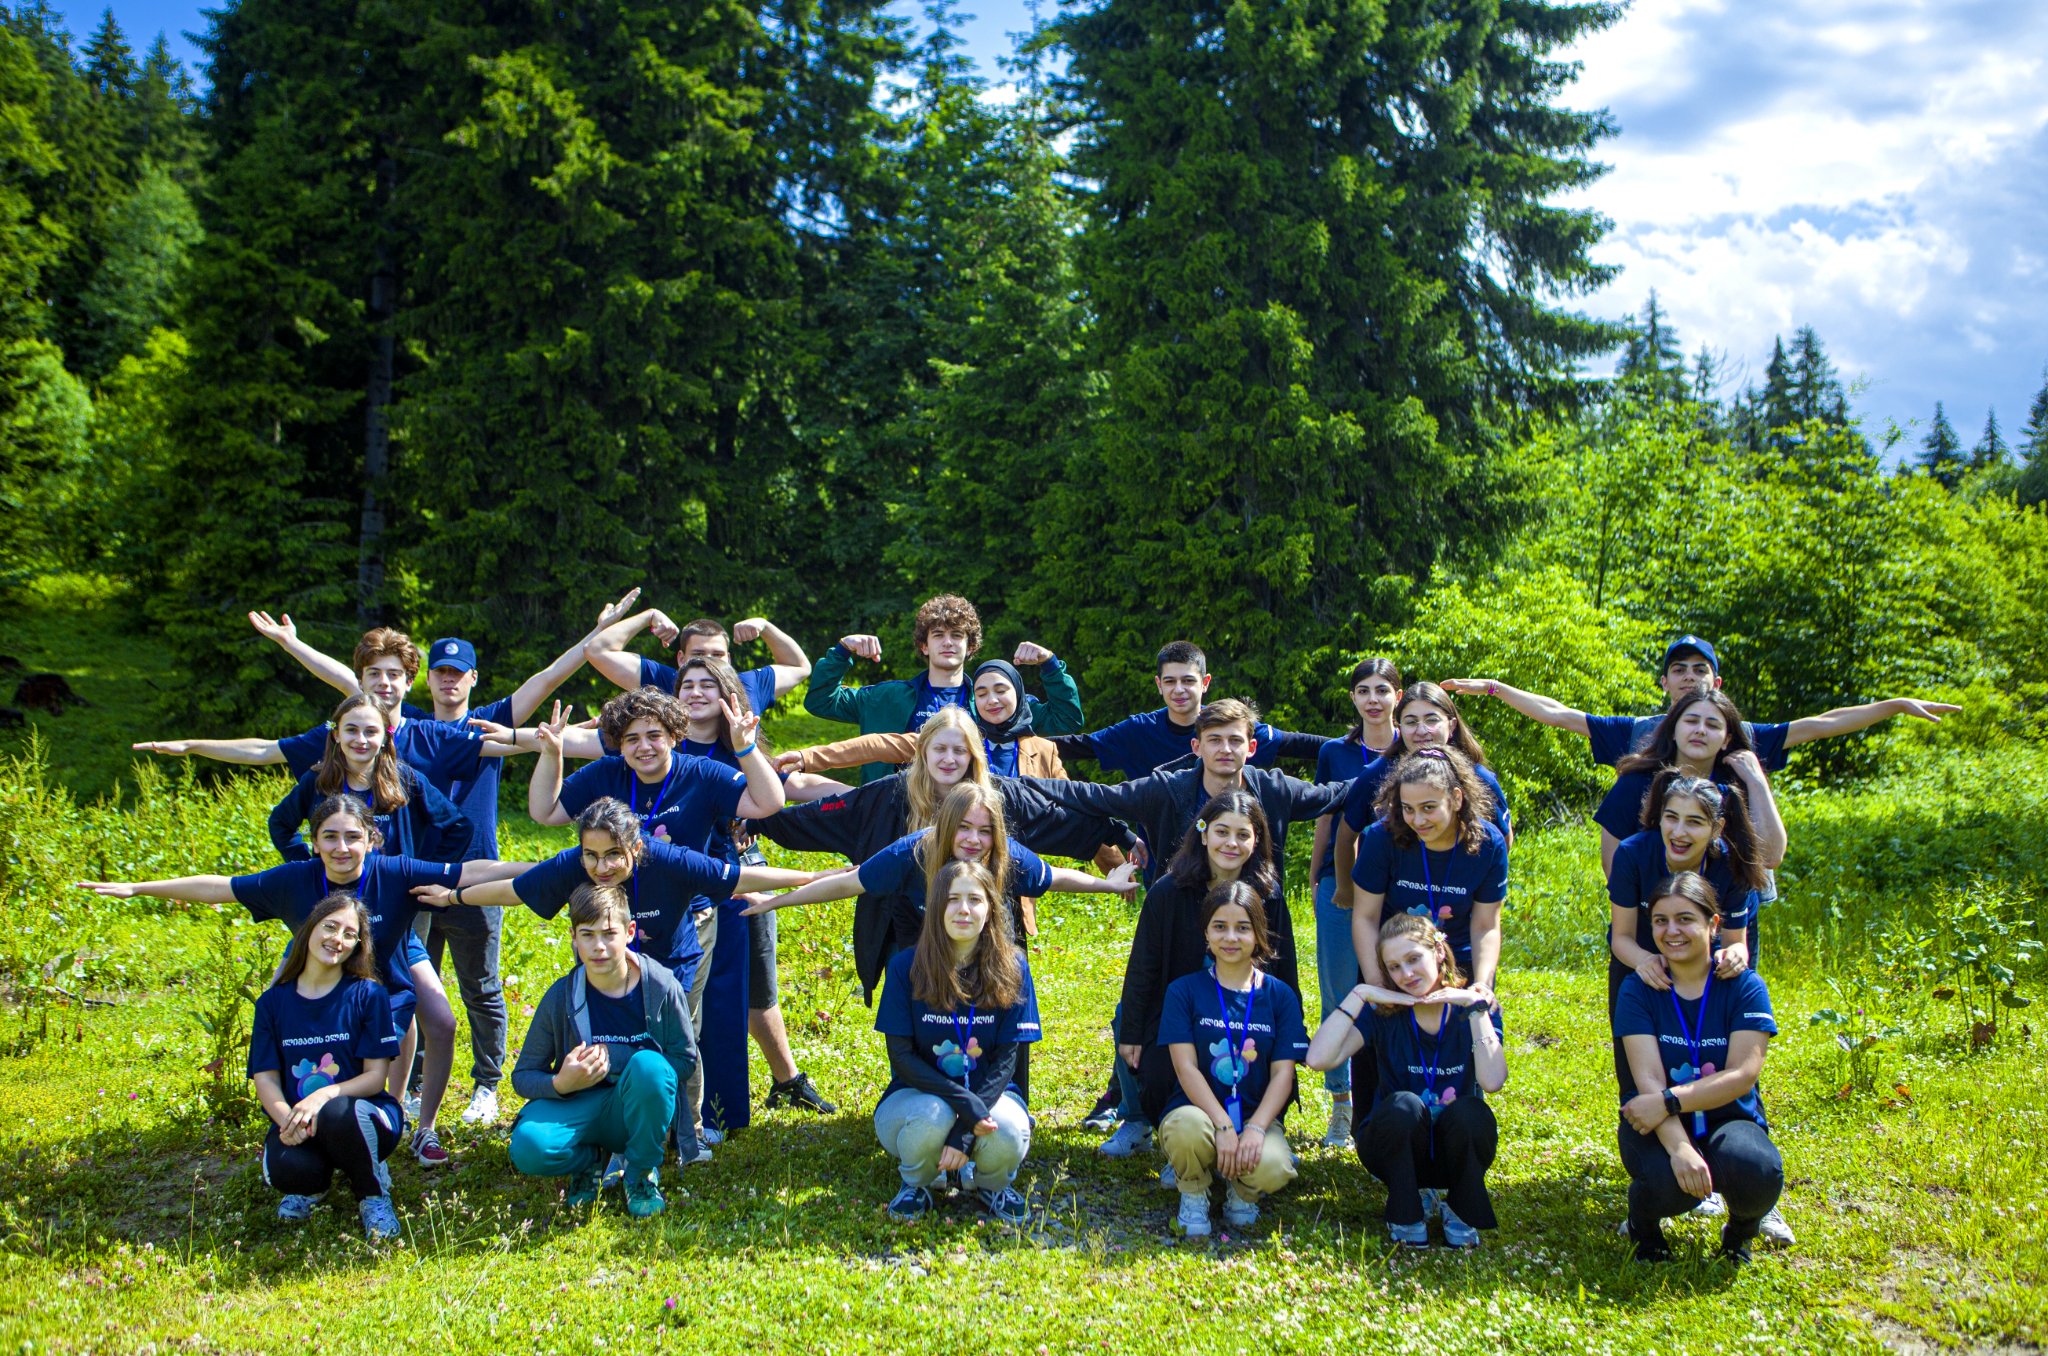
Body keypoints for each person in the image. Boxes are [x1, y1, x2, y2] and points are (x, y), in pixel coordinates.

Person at [75, 794, 529, 1166]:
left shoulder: (394, 871)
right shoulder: (295, 880)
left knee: (422, 1026)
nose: (341, 847)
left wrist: (550, 870)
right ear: (313, 842)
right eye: (329, 836)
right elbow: (221, 887)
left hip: (384, 972)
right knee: (296, 1026)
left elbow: (472, 871)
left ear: (371, 840)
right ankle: (312, 1130)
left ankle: (410, 1126)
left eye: (352, 837)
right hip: (323, 972)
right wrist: (139, 888)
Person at [528, 689, 785, 1157]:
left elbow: (768, 802)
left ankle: (687, 1129)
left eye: (654, 735)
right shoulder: (607, 775)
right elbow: (544, 812)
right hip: (611, 923)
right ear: (618, 744)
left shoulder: (701, 773)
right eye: (631, 739)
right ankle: (623, 1124)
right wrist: (552, 753)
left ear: (674, 735)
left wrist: (746, 747)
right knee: (614, 1023)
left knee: (679, 1026)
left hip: (685, 916)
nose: (643, 747)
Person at [750, 707, 1136, 1000]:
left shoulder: (999, 797)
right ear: (923, 751)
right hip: (912, 936)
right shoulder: (892, 800)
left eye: (959, 750)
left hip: (989, 935)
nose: (949, 759)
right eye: (940, 749)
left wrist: (1121, 837)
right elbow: (828, 824)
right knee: (921, 1024)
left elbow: (1059, 826)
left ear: (973, 756)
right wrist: (757, 822)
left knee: (998, 1019)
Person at [1444, 634, 1959, 776]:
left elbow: (1823, 723)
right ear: (1664, 681)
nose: (1689, 678)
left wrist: (1893, 705)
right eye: (1679, 670)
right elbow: (1557, 712)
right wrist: (1494, 687)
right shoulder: (1640, 731)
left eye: (1699, 669)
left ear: (1717, 681)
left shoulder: (1741, 736)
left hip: (1730, 872)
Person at [1305, 914, 1506, 1248]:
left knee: (1472, 1112)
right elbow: (1318, 1059)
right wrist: (1359, 994)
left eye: (1414, 959)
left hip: (1453, 1151)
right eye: (1395, 967)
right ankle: (1406, 1209)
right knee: (1404, 1105)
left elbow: (1492, 1080)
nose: (1407, 974)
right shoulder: (1384, 1013)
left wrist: (1475, 1009)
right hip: (1394, 1148)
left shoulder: (1473, 1009)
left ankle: (1460, 1207)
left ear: (1438, 952)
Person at [1615, 872, 1784, 1264]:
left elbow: (1742, 1075)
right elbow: (1648, 1080)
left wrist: (1670, 1100)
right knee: (1666, 1182)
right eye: (1660, 921)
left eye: (1685, 919)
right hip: (1656, 1124)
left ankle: (1740, 1234)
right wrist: (1680, 1149)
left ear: (1713, 924)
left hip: (1726, 1118)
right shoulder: (1638, 989)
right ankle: (1644, 1229)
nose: (1671, 931)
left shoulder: (1745, 987)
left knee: (1759, 1170)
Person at [745, 782, 1139, 947]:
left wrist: (1111, 883)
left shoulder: (1003, 855)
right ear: (946, 826)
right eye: (963, 828)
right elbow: (847, 884)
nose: (973, 840)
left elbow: (1054, 878)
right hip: (928, 949)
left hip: (987, 950)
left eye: (984, 831)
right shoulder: (913, 851)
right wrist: (774, 901)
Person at [507, 883, 699, 1219]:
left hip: (634, 1111)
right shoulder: (561, 996)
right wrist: (561, 1083)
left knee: (650, 1067)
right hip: (578, 1104)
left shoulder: (661, 986)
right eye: (587, 935)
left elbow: (684, 1061)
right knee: (528, 1147)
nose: (599, 946)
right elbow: (523, 1076)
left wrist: (617, 1057)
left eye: (609, 934)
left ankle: (640, 1173)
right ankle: (589, 1162)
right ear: (573, 938)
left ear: (630, 932)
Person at [1113, 792, 1289, 1158]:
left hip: (1246, 1015)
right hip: (1180, 1014)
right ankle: (1177, 1140)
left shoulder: (1268, 895)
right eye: (1222, 832)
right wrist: (1131, 1031)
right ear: (1203, 833)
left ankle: (1259, 1131)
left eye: (1243, 834)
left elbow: (1284, 971)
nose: (1231, 843)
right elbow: (1144, 965)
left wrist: (1288, 1033)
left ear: (1256, 839)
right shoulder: (1168, 891)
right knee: (1153, 1062)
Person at [870, 860, 1042, 1225]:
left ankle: (992, 1185)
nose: (963, 909)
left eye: (974, 900)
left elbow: (1007, 1060)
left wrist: (965, 1129)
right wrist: (965, 1105)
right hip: (917, 1097)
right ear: (935, 908)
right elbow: (902, 1058)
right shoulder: (905, 967)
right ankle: (917, 1183)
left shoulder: (1014, 968)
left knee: (1008, 1129)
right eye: (952, 899)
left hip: (989, 1096)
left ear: (991, 908)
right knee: (933, 1116)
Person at [1346, 748, 1509, 1113]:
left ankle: (1458, 1127)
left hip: (1457, 963)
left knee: (1460, 1055)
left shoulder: (1488, 845)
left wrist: (1482, 984)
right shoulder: (1381, 838)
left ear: (1457, 798)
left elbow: (1486, 924)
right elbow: (1365, 917)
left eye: (1428, 808)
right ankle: (1375, 1130)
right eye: (1407, 808)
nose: (1417, 820)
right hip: (1393, 960)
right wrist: (1379, 983)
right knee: (1379, 1052)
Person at [247, 891, 406, 1240]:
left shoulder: (369, 995)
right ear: (310, 929)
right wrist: (287, 1121)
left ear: (357, 946)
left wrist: (322, 1096)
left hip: (366, 1115)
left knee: (336, 1112)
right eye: (330, 927)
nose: (337, 939)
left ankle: (373, 1194)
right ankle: (314, 1186)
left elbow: (375, 1078)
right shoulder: (271, 1003)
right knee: (290, 1170)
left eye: (350, 934)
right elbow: (265, 1078)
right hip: (301, 1121)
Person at [1154, 881, 1307, 1237]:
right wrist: (1223, 1125)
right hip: (1198, 1112)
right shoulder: (1184, 991)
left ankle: (1242, 1190)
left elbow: (1283, 1074)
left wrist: (1255, 1128)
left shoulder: (1280, 996)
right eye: (1220, 927)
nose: (1231, 938)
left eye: (1242, 928)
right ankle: (1193, 1189)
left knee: (1276, 1165)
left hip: (1255, 1114)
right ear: (1206, 933)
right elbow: (1185, 1067)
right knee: (1186, 1131)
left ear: (1258, 934)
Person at [803, 594, 1084, 782]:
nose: (948, 642)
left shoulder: (990, 701)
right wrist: (843, 651)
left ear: (970, 646)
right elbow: (821, 701)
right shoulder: (886, 697)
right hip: (896, 820)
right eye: (938, 635)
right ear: (924, 645)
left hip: (967, 826)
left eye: (957, 635)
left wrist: (1050, 665)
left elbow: (1066, 719)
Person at [1306, 657, 1402, 1147]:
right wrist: (1317, 872)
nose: (1373, 699)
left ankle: (1394, 1090)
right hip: (1340, 884)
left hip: (1399, 887)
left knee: (1395, 985)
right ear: (1353, 698)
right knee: (1340, 989)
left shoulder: (1414, 749)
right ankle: (1341, 1104)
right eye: (1363, 690)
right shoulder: (1335, 753)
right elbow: (1327, 817)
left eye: (1382, 690)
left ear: (1398, 696)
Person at [1331, 682, 1513, 912]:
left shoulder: (1479, 778)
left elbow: (1503, 839)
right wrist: (1346, 888)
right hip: (1395, 913)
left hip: (1460, 909)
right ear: (1399, 727)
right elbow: (1346, 834)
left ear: (1451, 725)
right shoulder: (1376, 774)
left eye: (1431, 720)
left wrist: (1478, 887)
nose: (1421, 730)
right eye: (1411, 722)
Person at [1046, 640, 1331, 778]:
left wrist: (1352, 746)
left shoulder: (1227, 728)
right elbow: (1081, 746)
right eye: (1170, 681)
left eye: (1188, 681)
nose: (1179, 690)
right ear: (1159, 685)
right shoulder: (1139, 731)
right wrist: (1024, 744)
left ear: (1205, 683)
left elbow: (1296, 744)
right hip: (1163, 862)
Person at [1594, 690, 1788, 876]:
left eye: (1712, 725)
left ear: (1726, 740)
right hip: (1649, 898)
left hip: (1726, 898)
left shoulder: (1736, 786)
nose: (1700, 730)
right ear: (1673, 730)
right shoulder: (1636, 781)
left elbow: (1771, 857)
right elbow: (1612, 863)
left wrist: (1757, 781)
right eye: (1691, 721)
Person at [267, 694, 469, 864]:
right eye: (351, 730)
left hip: (395, 896)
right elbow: (280, 823)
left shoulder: (406, 779)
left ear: (385, 737)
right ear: (336, 735)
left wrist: (428, 876)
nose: (361, 739)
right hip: (333, 896)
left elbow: (460, 827)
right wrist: (307, 868)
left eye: (371, 731)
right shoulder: (317, 780)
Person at [584, 607, 813, 715]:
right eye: (699, 655)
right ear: (681, 659)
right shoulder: (662, 681)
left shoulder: (749, 685)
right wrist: (649, 616)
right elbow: (596, 650)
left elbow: (799, 667)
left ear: (729, 659)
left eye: (717, 655)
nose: (709, 662)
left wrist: (766, 626)